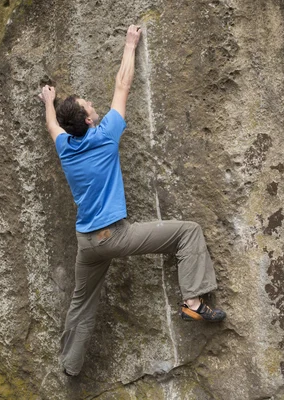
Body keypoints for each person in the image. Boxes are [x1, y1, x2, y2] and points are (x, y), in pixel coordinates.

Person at [39, 25, 226, 377]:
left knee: (82, 303)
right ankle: (194, 303)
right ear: (90, 120)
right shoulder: (107, 135)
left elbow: (53, 125)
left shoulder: (65, 148)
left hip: (87, 244)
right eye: (88, 105)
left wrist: (50, 101)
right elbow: (122, 85)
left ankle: (70, 365)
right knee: (188, 232)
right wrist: (130, 44)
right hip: (115, 236)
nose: (93, 103)